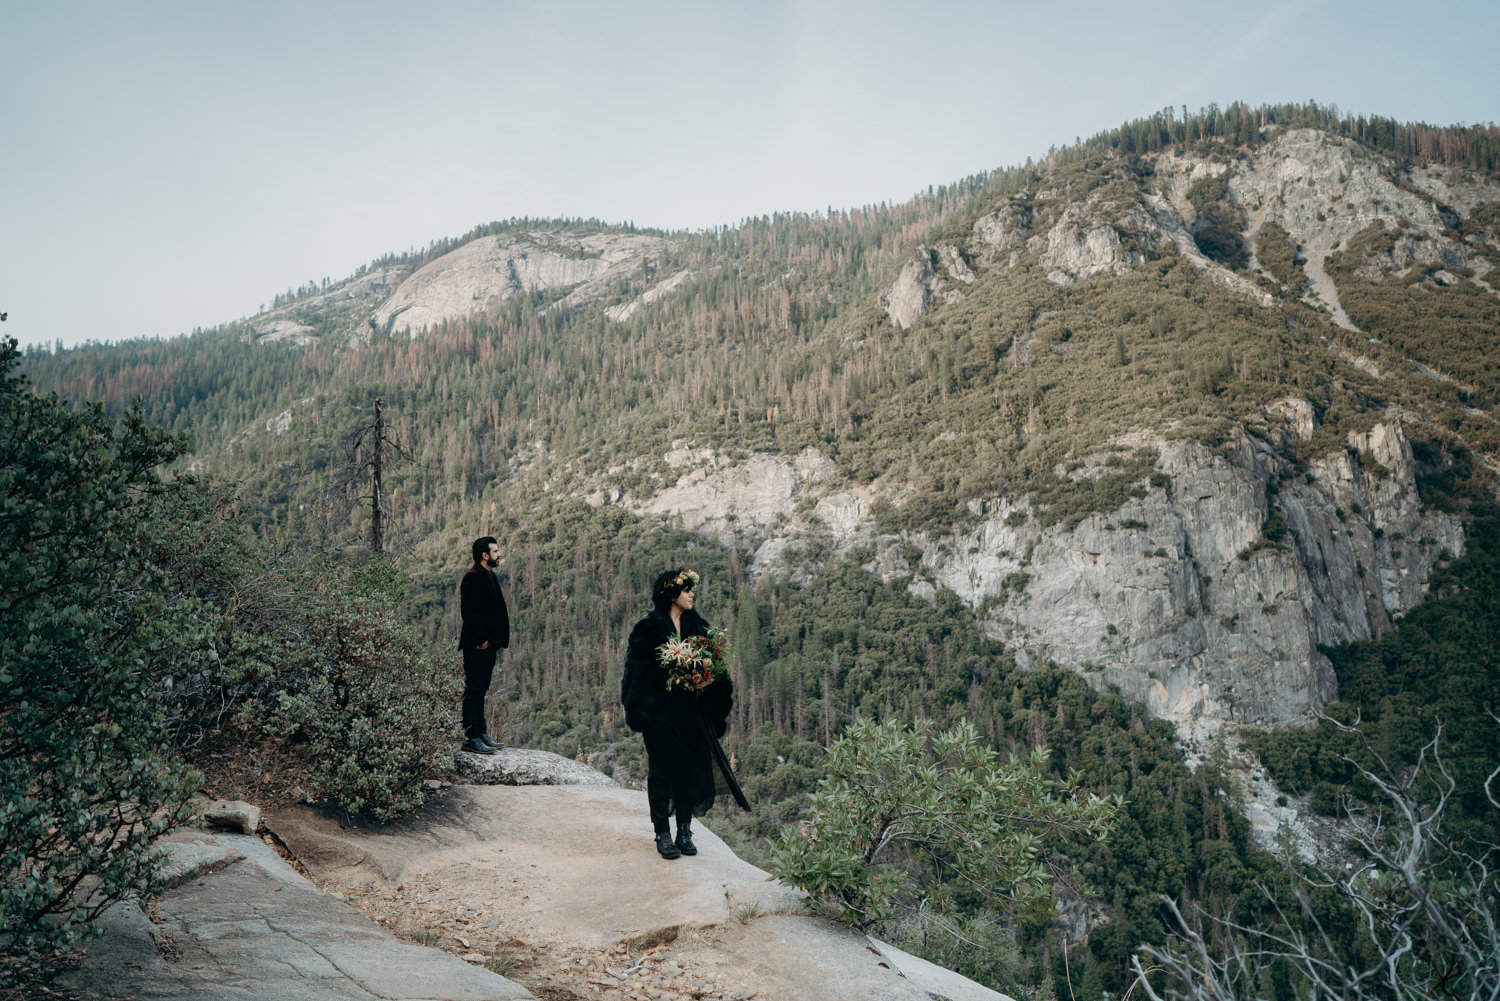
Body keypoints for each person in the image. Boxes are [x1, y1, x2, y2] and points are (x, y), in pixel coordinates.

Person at [621, 568, 734, 859]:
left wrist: (707, 682)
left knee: (689, 770)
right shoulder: (647, 628)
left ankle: (684, 829)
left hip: (692, 714)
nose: (691, 594)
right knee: (660, 773)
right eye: (686, 590)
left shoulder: (699, 626)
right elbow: (635, 674)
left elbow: (717, 668)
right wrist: (643, 712)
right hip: (659, 715)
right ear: (671, 594)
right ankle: (662, 832)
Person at [457, 536, 510, 755]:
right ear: (484, 555)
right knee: (474, 690)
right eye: (495, 551)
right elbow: (469, 613)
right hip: (477, 645)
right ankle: (471, 737)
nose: (499, 554)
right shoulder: (473, 578)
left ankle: (481, 733)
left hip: (489, 644)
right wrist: (482, 640)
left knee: (481, 690)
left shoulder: (489, 575)